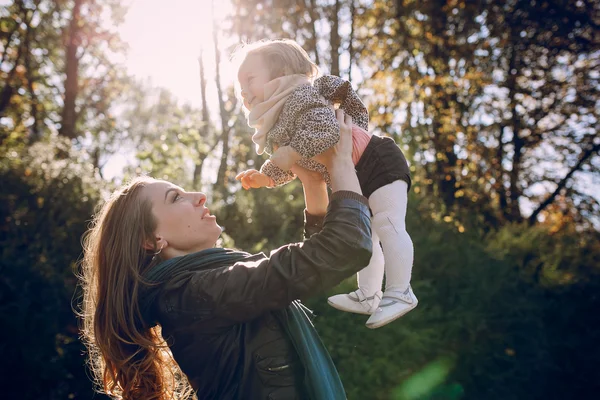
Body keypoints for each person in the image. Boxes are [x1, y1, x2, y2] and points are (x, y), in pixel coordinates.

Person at [78, 110, 373, 400]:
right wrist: (341, 163)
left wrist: (312, 182)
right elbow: (345, 246)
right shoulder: (192, 296)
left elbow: (314, 263)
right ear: (152, 239)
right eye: (176, 198)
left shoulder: (198, 290)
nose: (199, 196)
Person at [234, 39, 417, 329]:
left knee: (388, 223)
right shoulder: (277, 124)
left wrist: (287, 155)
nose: (243, 90)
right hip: (352, 175)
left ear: (280, 73)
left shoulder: (299, 97)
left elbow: (325, 130)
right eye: (239, 85)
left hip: (376, 159)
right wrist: (268, 176)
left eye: (250, 79)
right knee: (367, 236)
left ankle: (401, 291)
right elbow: (300, 168)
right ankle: (370, 295)